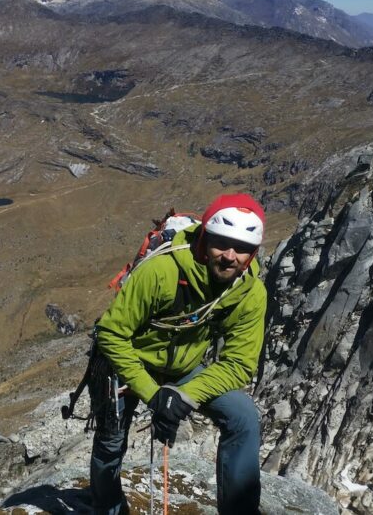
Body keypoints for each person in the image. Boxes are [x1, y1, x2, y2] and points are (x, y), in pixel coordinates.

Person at [90, 193, 267, 515]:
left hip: (182, 369)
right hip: (125, 360)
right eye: (221, 243)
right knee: (110, 442)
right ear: (204, 240)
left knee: (242, 417)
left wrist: (184, 396)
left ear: (253, 252)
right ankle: (108, 508)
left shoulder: (249, 293)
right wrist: (153, 394)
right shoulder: (161, 271)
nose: (230, 256)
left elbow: (240, 363)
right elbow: (111, 334)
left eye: (242, 248)